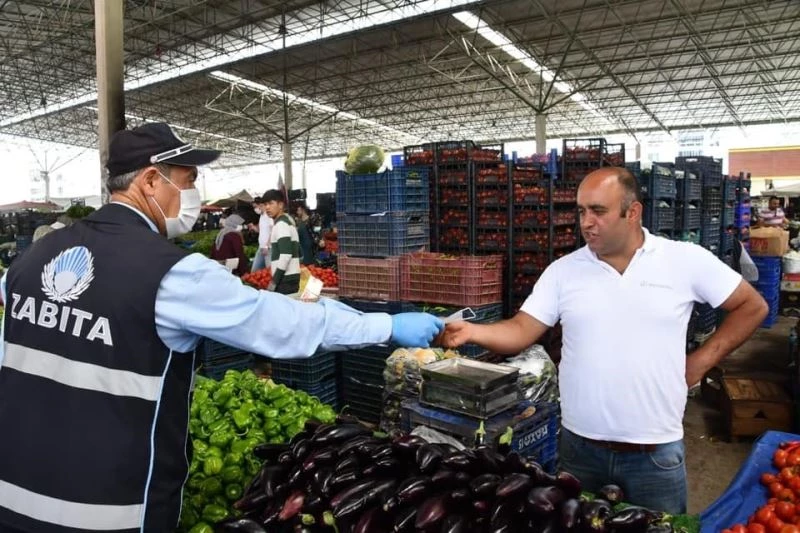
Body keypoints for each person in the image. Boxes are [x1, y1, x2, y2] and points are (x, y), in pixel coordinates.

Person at [0, 122, 444, 532]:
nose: (190, 195)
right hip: (106, 508)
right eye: (188, 180)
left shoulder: (31, 259)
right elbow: (281, 324)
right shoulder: (169, 273)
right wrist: (384, 325)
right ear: (151, 180)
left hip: (13, 492)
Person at [441, 166, 768, 514]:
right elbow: (522, 329)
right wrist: (474, 331)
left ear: (633, 212)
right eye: (581, 211)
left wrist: (700, 362)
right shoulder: (564, 271)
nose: (585, 222)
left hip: (654, 453)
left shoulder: (683, 260)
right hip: (579, 451)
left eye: (598, 211)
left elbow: (751, 306)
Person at [262, 189, 301, 294]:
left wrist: (274, 281)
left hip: (285, 280)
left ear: (280, 205)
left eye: (271, 203)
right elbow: (299, 252)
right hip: (290, 277)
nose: (267, 207)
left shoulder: (281, 225)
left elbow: (286, 254)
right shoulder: (287, 222)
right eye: (265, 204)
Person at [248, 196, 273, 272]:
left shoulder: (269, 216)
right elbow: (261, 231)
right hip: (261, 247)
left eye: (255, 207)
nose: (255, 209)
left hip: (269, 249)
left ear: (261, 205)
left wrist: (267, 246)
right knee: (254, 271)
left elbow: (273, 231)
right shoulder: (261, 216)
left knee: (270, 272)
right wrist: (253, 227)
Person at [293, 201, 318, 266]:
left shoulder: (310, 220)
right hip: (302, 247)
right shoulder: (298, 222)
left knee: (310, 267)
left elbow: (316, 232)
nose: (297, 212)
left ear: (303, 210)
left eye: (298, 210)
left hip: (309, 248)